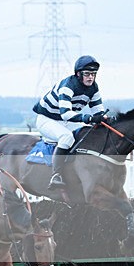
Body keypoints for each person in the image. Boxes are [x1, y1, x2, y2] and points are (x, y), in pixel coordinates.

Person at [33, 55, 108, 189]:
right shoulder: (68, 86)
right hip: (48, 119)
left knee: (88, 132)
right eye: (87, 74)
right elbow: (66, 114)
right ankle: (56, 175)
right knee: (66, 137)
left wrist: (104, 119)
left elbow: (98, 111)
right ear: (79, 74)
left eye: (93, 74)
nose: (91, 77)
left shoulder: (93, 88)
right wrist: (89, 118)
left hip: (65, 120)